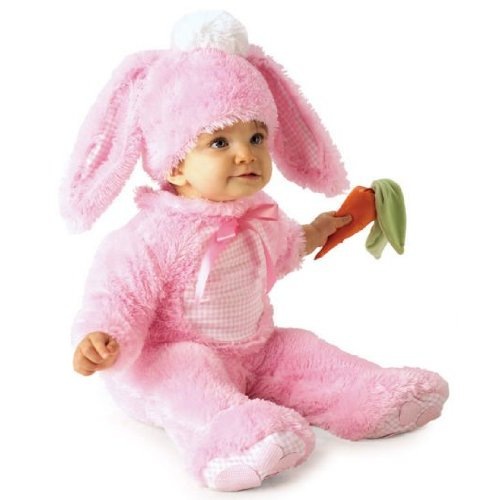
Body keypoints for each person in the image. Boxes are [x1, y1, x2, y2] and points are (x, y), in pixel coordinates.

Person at [62, 11, 448, 492]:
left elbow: (288, 248)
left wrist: (324, 228)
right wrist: (102, 335)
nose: (246, 153)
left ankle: (369, 398)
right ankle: (233, 442)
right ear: (175, 165)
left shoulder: (260, 215)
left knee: (301, 350)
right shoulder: (150, 235)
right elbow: (117, 296)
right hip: (166, 359)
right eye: (220, 141)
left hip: (253, 349)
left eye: (257, 137)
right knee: (189, 374)